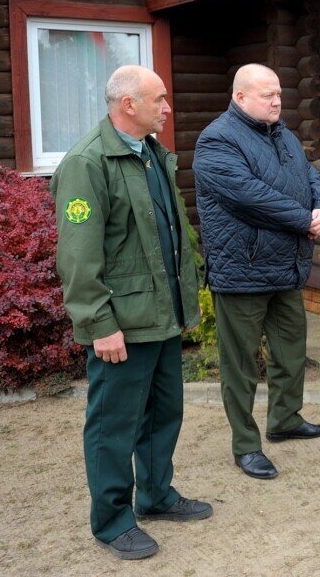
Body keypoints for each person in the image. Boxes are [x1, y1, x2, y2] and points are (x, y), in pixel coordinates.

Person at [51, 65, 209, 561]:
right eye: (159, 99)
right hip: (121, 324)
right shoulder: (87, 163)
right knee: (113, 424)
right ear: (128, 105)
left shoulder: (152, 155)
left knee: (164, 412)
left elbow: (170, 236)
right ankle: (112, 521)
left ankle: (156, 495)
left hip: (161, 316)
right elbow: (79, 257)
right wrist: (99, 324)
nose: (167, 107)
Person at [193, 64, 320, 480]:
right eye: (266, 95)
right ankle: (245, 445)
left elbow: (311, 176)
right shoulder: (217, 140)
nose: (276, 101)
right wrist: (304, 220)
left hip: (286, 266)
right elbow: (250, 197)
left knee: (291, 350)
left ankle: (285, 420)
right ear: (240, 97)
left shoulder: (284, 135)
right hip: (243, 269)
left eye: (278, 94)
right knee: (240, 365)